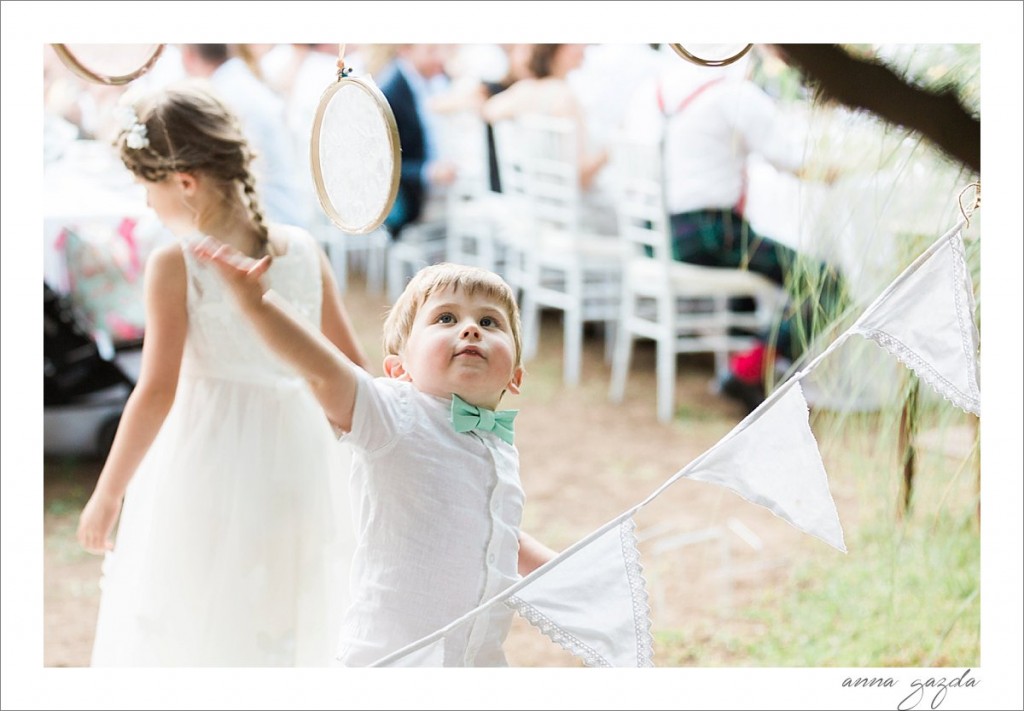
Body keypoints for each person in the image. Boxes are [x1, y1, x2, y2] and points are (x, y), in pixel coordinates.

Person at [76, 82, 371, 666]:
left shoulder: (174, 262)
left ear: (184, 182)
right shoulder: (306, 250)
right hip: (302, 461)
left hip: (209, 458)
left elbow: (155, 391)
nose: (145, 204)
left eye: (146, 187)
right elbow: (355, 371)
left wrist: (108, 494)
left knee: (201, 612)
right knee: (287, 614)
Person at [191, 248, 557, 666]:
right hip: (391, 663)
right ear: (399, 368)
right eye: (446, 319)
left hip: (476, 663)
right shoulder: (393, 414)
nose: (471, 329)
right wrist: (257, 304)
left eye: (489, 321)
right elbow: (322, 371)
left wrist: (570, 572)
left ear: (516, 377)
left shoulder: (499, 447)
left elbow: (499, 534)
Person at [623, 55, 847, 412]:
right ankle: (748, 369)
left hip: (655, 236)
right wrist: (846, 170)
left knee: (773, 259)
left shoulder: (654, 89)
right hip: (709, 235)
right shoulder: (734, 93)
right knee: (827, 281)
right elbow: (794, 161)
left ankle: (759, 362)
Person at [179, 44, 308, 228]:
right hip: (283, 214)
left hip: (271, 220)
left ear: (188, 57)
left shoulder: (223, 95)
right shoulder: (237, 82)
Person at [376, 44, 458, 238]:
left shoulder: (438, 80)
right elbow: (381, 165)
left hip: (444, 188)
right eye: (431, 50)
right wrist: (428, 171)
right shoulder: (390, 92)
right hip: (409, 198)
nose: (441, 57)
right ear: (405, 49)